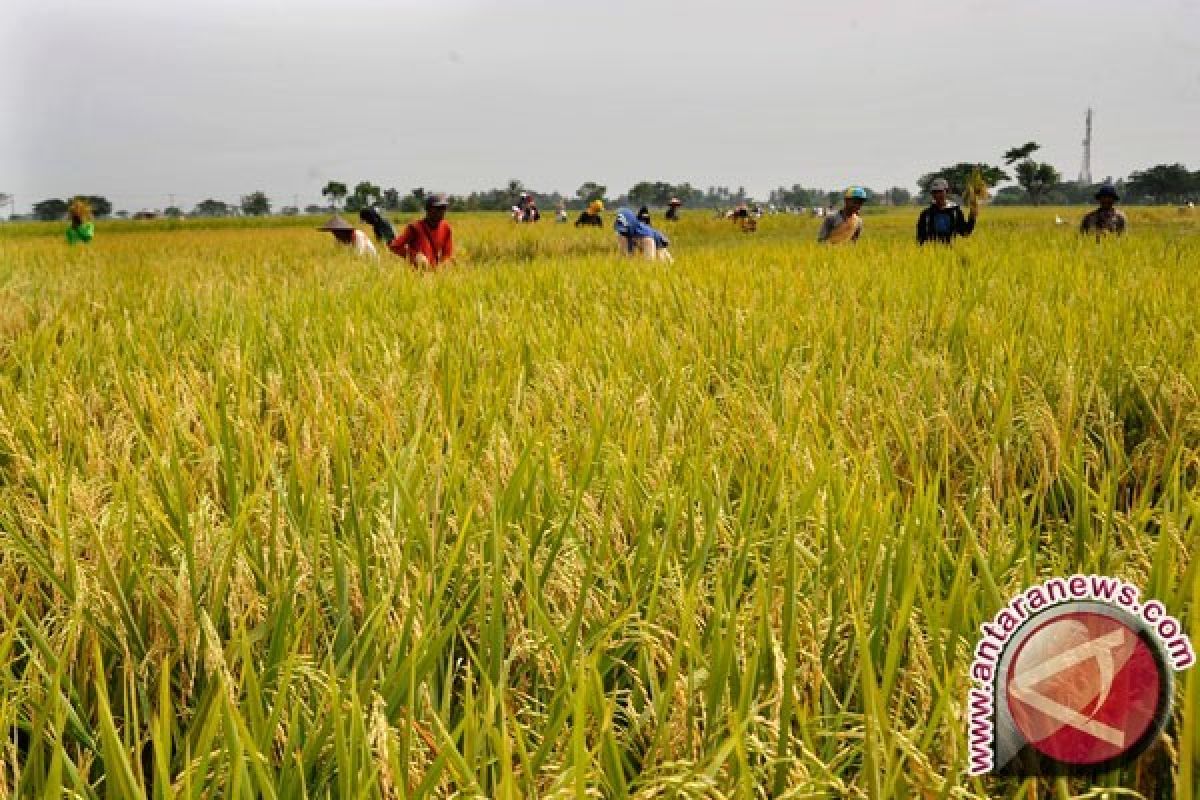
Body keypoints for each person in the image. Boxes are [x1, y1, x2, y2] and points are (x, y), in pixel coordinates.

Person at [389, 193, 454, 268]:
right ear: (428, 209)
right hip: (416, 274)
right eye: (438, 208)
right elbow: (394, 246)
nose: (441, 212)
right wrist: (415, 256)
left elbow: (447, 254)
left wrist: (443, 267)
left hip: (434, 274)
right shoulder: (414, 227)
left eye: (443, 208)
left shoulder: (446, 228)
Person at [916, 177, 976, 244]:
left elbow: (965, 233)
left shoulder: (955, 212)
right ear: (932, 194)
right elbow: (920, 239)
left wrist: (972, 216)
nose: (938, 195)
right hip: (930, 252)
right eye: (935, 192)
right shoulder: (926, 214)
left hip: (950, 253)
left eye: (940, 191)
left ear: (947, 191)